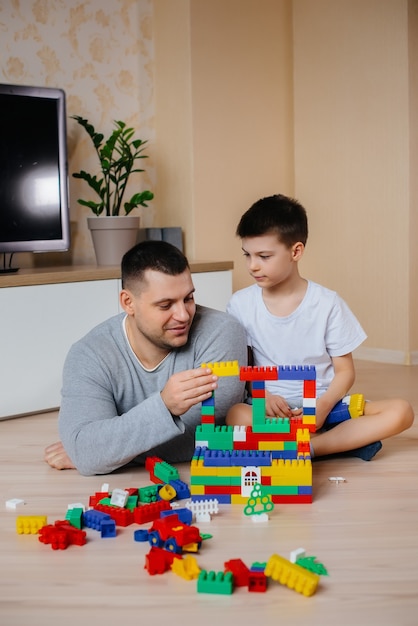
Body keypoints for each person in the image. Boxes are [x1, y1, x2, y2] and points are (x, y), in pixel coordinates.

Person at [226, 194, 414, 460]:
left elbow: (345, 372)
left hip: (325, 406)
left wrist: (324, 406)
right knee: (236, 415)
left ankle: (312, 447)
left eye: (264, 256)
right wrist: (262, 395)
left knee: (401, 411)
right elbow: (242, 368)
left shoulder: (327, 303)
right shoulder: (240, 304)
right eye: (248, 255)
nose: (252, 265)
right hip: (270, 411)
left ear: (296, 251)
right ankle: (332, 442)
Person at [44, 240, 247, 475]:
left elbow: (206, 435)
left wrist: (106, 453)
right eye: (165, 305)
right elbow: (88, 451)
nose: (183, 315)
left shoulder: (221, 332)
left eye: (188, 298)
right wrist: (165, 406)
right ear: (128, 302)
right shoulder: (89, 354)